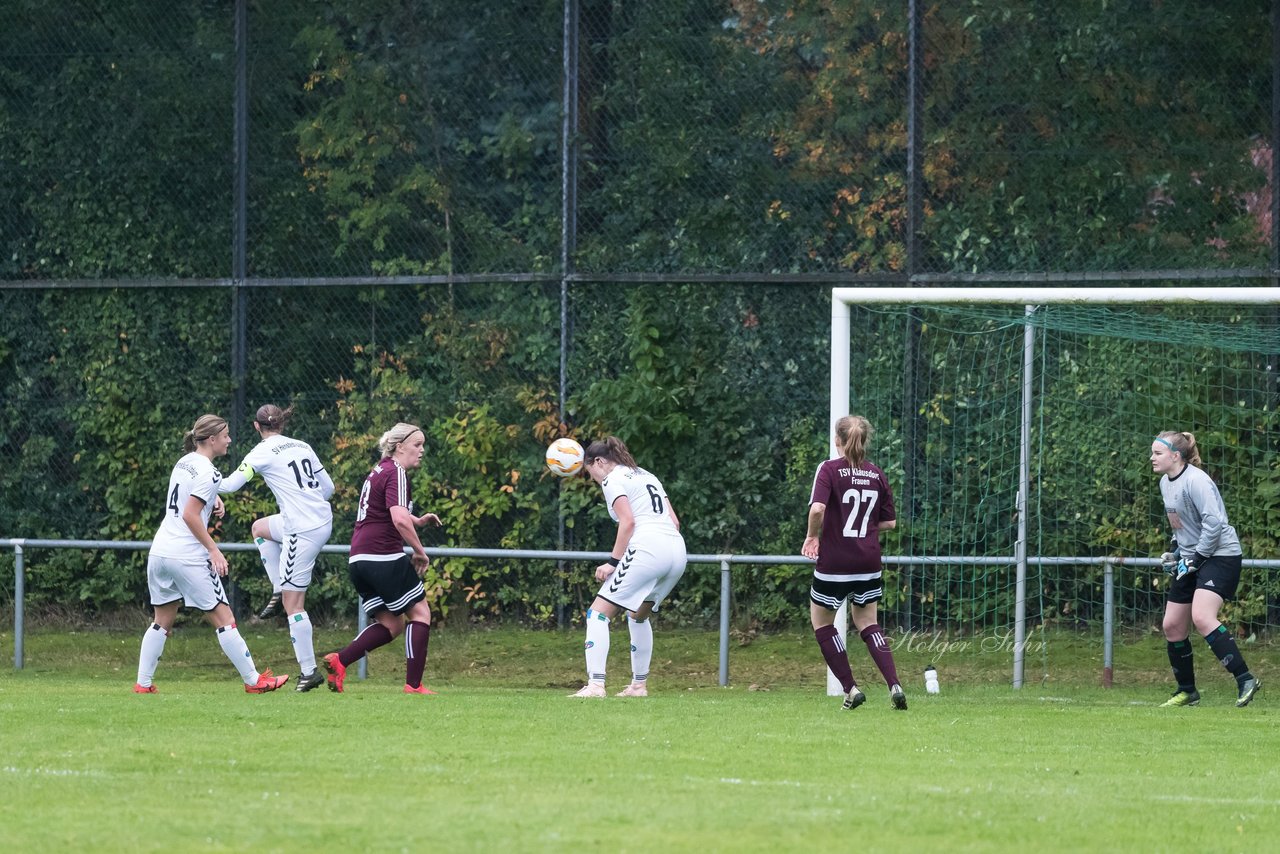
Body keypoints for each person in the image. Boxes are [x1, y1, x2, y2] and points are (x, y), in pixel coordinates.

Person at [133, 414, 289, 694]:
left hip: (160, 553)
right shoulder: (209, 472)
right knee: (225, 619)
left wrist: (213, 496)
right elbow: (190, 514)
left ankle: (143, 685)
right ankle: (254, 681)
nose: (230, 440)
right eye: (226, 435)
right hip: (187, 555)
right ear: (213, 439)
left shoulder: (185, 462)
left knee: (162, 620)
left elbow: (186, 495)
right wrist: (213, 550)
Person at [218, 404, 334, 693]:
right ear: (282, 424)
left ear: (257, 427)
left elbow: (231, 485)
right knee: (260, 528)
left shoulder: (262, 452)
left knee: (293, 606)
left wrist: (202, 477)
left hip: (301, 529)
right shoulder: (302, 445)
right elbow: (328, 488)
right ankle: (278, 585)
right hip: (320, 519)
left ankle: (309, 672)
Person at [322, 422, 442, 695]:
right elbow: (397, 519)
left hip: (359, 560)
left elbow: (389, 511)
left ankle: (340, 662)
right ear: (399, 447)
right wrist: (420, 551)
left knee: (391, 624)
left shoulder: (379, 471)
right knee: (421, 613)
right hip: (383, 556)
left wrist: (418, 520)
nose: (421, 450)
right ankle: (414, 685)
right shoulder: (397, 472)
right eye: (417, 445)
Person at [801, 415, 905, 711]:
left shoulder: (829, 469)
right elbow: (890, 523)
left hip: (835, 562)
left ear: (838, 441)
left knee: (822, 623)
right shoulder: (876, 474)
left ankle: (851, 689)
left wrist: (812, 536)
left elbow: (818, 508)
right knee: (868, 622)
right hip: (868, 561)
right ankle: (894, 684)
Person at [570, 436, 687, 698]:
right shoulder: (646, 475)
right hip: (677, 550)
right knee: (638, 615)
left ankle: (596, 685)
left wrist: (613, 562)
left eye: (590, 472)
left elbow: (628, 522)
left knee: (597, 614)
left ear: (598, 462)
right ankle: (638, 686)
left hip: (649, 547)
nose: (592, 479)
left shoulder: (613, 479)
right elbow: (675, 522)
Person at [1151, 431, 1260, 708]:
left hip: (1221, 556)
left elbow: (1215, 524)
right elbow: (1181, 525)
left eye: (1157, 453)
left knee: (1201, 616)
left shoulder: (1197, 481)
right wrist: (1175, 552)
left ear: (1176, 456)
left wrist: (1196, 559)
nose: (1152, 458)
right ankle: (1187, 691)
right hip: (1192, 557)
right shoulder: (1166, 483)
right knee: (1173, 625)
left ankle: (1245, 678)